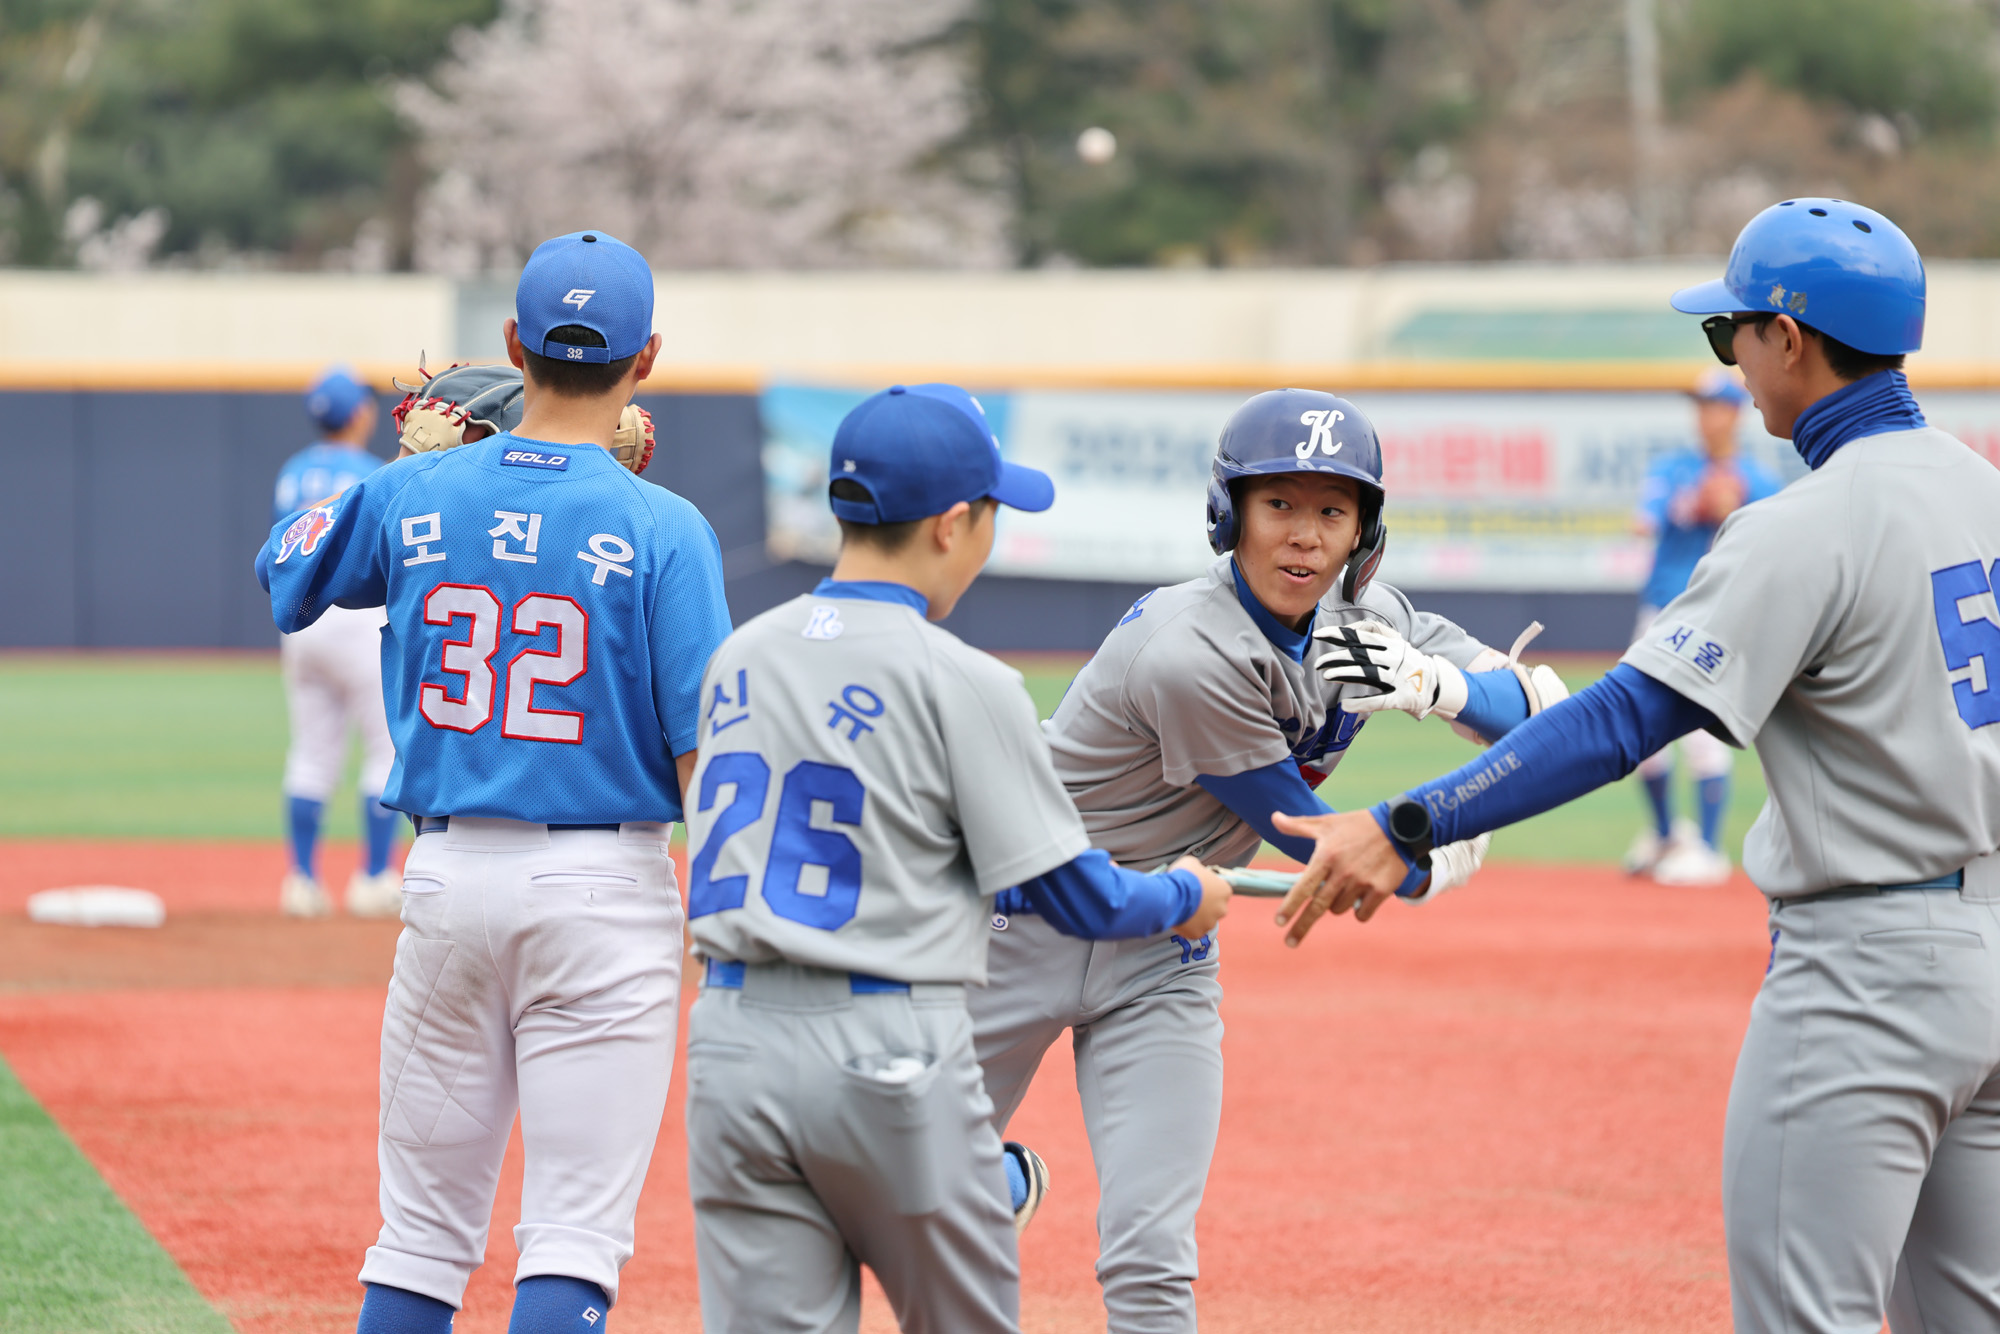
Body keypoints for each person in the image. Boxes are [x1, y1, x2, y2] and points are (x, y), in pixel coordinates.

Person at [1273, 199, 2000, 1334]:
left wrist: (1410, 818)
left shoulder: (1806, 520)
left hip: (1869, 974)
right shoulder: (1980, 487)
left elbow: (1623, 717)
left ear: (1788, 340)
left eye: (1730, 337)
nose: (1729, 364)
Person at [972, 388, 1568, 1332]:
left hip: (1167, 942)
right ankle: (979, 1185)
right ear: (1231, 514)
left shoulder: (1368, 621)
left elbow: (1549, 705)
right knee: (890, 1184)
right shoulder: (1187, 649)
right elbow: (1314, 839)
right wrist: (1438, 849)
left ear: (1363, 532)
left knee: (1152, 1255)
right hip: (1019, 922)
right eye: (1279, 505)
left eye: (1331, 510)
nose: (1303, 536)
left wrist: (1431, 681)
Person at [679, 382, 1233, 1334]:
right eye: (990, 516)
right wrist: (1184, 893)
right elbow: (1075, 896)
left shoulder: (743, 656)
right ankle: (979, 1181)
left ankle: (982, 1178)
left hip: (731, 1043)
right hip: (885, 1046)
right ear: (949, 525)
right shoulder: (964, 680)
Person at [260, 229, 731, 1334]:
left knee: (420, 1233)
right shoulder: (666, 526)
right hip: (605, 891)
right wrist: (720, 914)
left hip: (447, 877)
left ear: (516, 344)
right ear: (645, 358)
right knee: (571, 1233)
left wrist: (418, 464)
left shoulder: (416, 488)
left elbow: (285, 568)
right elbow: (706, 749)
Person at [1625, 368, 1780, 885]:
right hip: (1659, 607)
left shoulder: (1757, 478)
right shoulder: (1675, 468)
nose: (1705, 415)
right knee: (1640, 730)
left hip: (1715, 613)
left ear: (1735, 412)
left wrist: (1731, 509)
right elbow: (1642, 521)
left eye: (1714, 405)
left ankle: (1710, 849)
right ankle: (1669, 835)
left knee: (1702, 732)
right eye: (1700, 405)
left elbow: (1773, 543)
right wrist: (1695, 503)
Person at [271, 366, 403, 918]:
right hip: (357, 618)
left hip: (301, 623)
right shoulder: (374, 473)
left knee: (311, 754)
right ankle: (372, 878)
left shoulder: (291, 472)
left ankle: (302, 882)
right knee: (384, 749)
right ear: (360, 414)